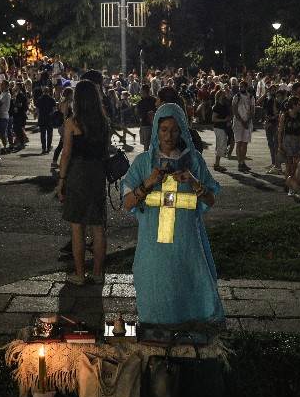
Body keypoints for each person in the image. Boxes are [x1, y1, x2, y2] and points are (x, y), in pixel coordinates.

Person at [122, 102, 224, 326]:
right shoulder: (142, 163)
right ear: (156, 130)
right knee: (153, 289)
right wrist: (148, 183)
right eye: (164, 129)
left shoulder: (193, 160)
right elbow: (127, 203)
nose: (169, 135)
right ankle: (154, 333)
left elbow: (210, 199)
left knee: (188, 288)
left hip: (186, 243)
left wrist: (194, 181)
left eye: (175, 130)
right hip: (153, 246)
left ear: (183, 131)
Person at [56, 80, 110, 285]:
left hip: (78, 173)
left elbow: (66, 153)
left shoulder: (72, 122)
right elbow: (105, 151)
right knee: (98, 226)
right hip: (97, 173)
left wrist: (61, 180)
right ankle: (98, 273)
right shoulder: (103, 121)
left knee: (77, 227)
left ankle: (79, 274)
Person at [231, 86, 254, 171]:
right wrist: (242, 121)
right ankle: (240, 162)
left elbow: (252, 110)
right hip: (238, 122)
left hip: (247, 122)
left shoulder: (251, 97)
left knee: (244, 143)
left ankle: (242, 162)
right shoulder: (236, 96)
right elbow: (234, 110)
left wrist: (247, 121)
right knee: (239, 143)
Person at [210, 85, 231, 172]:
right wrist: (224, 120)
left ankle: (217, 163)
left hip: (223, 127)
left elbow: (230, 98)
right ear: (219, 96)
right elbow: (213, 118)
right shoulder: (217, 106)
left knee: (222, 144)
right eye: (223, 94)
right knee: (221, 145)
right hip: (218, 127)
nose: (224, 95)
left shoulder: (224, 105)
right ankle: (217, 164)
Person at [36, 84, 57, 154]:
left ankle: (43, 148)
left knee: (42, 134)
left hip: (42, 118)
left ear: (43, 91)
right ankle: (48, 147)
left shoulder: (39, 99)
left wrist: (38, 117)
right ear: (48, 92)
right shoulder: (52, 99)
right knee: (49, 134)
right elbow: (54, 110)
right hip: (49, 118)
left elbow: (37, 110)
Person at [136, 83, 157, 150]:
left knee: (146, 146)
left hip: (145, 125)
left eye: (141, 90)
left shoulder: (140, 103)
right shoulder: (155, 100)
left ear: (144, 91)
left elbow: (139, 115)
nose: (140, 92)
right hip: (155, 125)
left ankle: (147, 159)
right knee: (155, 145)